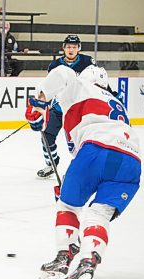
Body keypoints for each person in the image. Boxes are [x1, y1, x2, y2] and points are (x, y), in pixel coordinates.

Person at [25, 65, 141, 279]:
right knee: (99, 213)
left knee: (68, 205)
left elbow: (62, 73)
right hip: (132, 159)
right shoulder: (115, 102)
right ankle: (88, 261)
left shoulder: (80, 86)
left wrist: (39, 102)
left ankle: (64, 256)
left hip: (96, 148)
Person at [35, 34, 95, 179]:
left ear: (79, 49)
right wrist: (43, 105)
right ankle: (51, 164)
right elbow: (50, 87)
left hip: (78, 110)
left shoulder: (87, 62)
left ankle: (85, 168)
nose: (71, 50)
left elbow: (96, 80)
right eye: (68, 47)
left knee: (81, 142)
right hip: (59, 109)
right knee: (46, 137)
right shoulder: (55, 65)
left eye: (74, 47)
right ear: (64, 48)